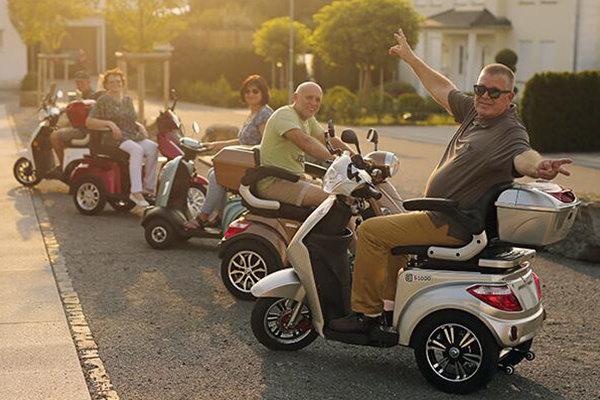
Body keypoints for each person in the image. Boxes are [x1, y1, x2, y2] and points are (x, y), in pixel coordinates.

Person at [330, 29, 572, 333]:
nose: (485, 95)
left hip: (448, 221)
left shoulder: (509, 131)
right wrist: (410, 57)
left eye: (494, 92)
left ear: (510, 97)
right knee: (393, 236)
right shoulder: (476, 111)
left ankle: (363, 315)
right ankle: (389, 308)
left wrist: (540, 167)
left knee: (370, 232)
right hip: (441, 215)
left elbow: (523, 156)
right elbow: (441, 87)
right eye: (480, 88)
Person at [184, 75, 274, 230]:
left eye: (255, 91)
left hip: (256, 166)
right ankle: (220, 215)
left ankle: (203, 216)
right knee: (216, 172)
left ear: (263, 93)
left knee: (216, 174)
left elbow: (264, 145)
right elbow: (242, 141)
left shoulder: (264, 114)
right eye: (247, 91)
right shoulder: (254, 113)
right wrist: (215, 145)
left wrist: (233, 153)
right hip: (246, 161)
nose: (250, 94)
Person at [255, 81, 353, 208]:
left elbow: (328, 139)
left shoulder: (308, 119)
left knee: (347, 194)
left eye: (318, 100)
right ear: (295, 97)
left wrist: (358, 158)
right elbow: (304, 141)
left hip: (295, 179)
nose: (314, 103)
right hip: (274, 182)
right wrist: (335, 160)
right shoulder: (285, 114)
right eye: (309, 98)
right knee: (335, 201)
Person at [85, 68, 159, 207]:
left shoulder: (127, 100)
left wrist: (139, 125)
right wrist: (110, 124)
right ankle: (135, 192)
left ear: (122, 83)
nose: (116, 84)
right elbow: (89, 122)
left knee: (153, 147)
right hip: (113, 138)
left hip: (131, 135)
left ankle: (148, 188)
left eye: (118, 81)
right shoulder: (103, 100)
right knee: (137, 150)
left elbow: (128, 119)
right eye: (112, 82)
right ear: (106, 85)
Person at [49, 71, 103, 174]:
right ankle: (68, 163)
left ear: (88, 82)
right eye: (78, 83)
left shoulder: (91, 96)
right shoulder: (84, 95)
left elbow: (83, 110)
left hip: (85, 131)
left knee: (54, 136)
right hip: (82, 128)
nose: (79, 85)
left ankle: (62, 167)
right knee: (60, 129)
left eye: (82, 83)